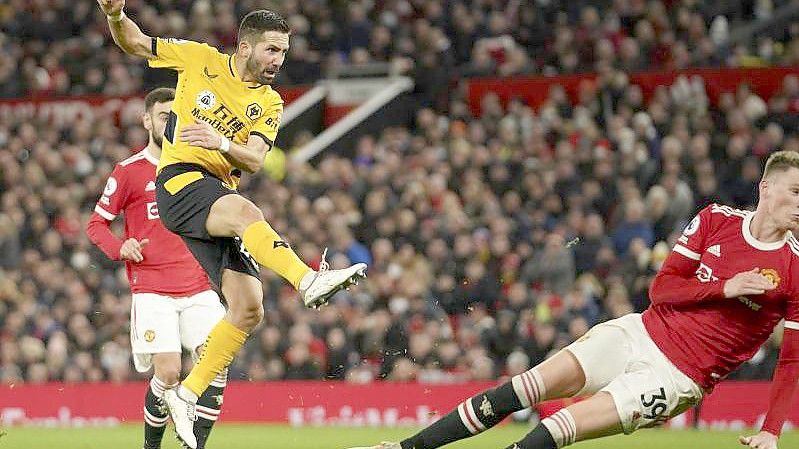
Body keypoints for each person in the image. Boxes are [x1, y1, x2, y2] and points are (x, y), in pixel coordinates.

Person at [350, 151, 799, 449]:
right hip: (638, 332)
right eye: (795, 191)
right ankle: (407, 448)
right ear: (766, 188)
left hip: (678, 377)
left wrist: (770, 429)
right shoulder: (715, 219)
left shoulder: (794, 267)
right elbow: (662, 290)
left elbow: (793, 360)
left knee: (557, 428)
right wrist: (724, 287)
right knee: (524, 388)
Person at [95, 2, 367, 447]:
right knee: (246, 215)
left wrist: (221, 140)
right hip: (180, 181)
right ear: (245, 46)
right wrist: (114, 15)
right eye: (272, 50)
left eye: (283, 51)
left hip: (218, 190)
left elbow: (256, 159)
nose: (279, 60)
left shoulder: (269, 100)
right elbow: (137, 42)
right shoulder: (198, 58)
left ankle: (186, 393)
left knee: (248, 308)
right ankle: (307, 281)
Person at [86, 88, 226, 449]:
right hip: (152, 289)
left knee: (216, 366)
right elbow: (96, 225)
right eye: (163, 115)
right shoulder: (129, 172)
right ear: (147, 120)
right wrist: (122, 247)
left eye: (174, 115)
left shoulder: (199, 167)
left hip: (198, 285)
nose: (169, 122)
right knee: (167, 372)